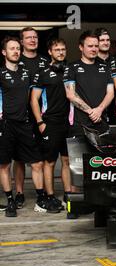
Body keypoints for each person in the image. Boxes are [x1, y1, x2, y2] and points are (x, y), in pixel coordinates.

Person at [0, 36, 46, 217]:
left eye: (18, 48)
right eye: (12, 49)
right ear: (4, 52)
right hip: (5, 125)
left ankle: (41, 198)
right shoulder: (0, 73)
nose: (16, 51)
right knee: (4, 165)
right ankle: (10, 201)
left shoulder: (26, 73)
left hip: (24, 124)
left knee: (37, 163)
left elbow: (35, 96)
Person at [30, 38, 72, 213]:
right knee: (49, 162)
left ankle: (68, 195)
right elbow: (33, 99)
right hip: (50, 123)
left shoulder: (71, 70)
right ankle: (50, 196)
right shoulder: (43, 72)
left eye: (63, 49)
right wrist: (40, 122)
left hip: (68, 122)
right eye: (57, 50)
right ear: (50, 52)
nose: (61, 52)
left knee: (67, 160)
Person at [13, 27, 49, 210]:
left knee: (40, 158)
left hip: (41, 116)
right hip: (20, 116)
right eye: (28, 38)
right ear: (21, 41)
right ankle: (19, 193)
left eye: (35, 37)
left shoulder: (45, 61)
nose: (32, 40)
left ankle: (41, 193)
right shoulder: (16, 61)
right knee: (19, 158)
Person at [64, 31, 114, 138]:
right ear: (81, 47)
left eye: (96, 46)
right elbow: (71, 95)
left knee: (102, 155)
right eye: (90, 46)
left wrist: (99, 110)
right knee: (79, 155)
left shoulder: (105, 68)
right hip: (80, 124)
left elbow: (110, 93)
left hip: (101, 121)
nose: (94, 49)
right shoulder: (71, 67)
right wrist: (92, 112)